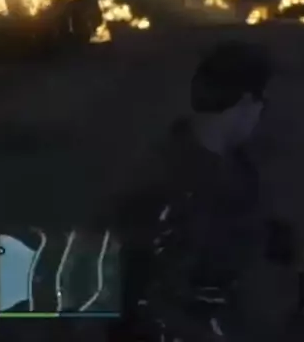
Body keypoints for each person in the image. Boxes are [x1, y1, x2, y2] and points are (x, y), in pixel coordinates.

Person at [113, 40, 283, 341]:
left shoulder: (234, 164)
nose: (262, 114)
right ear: (246, 102)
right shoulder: (164, 180)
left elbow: (246, 228)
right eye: (263, 103)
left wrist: (299, 256)